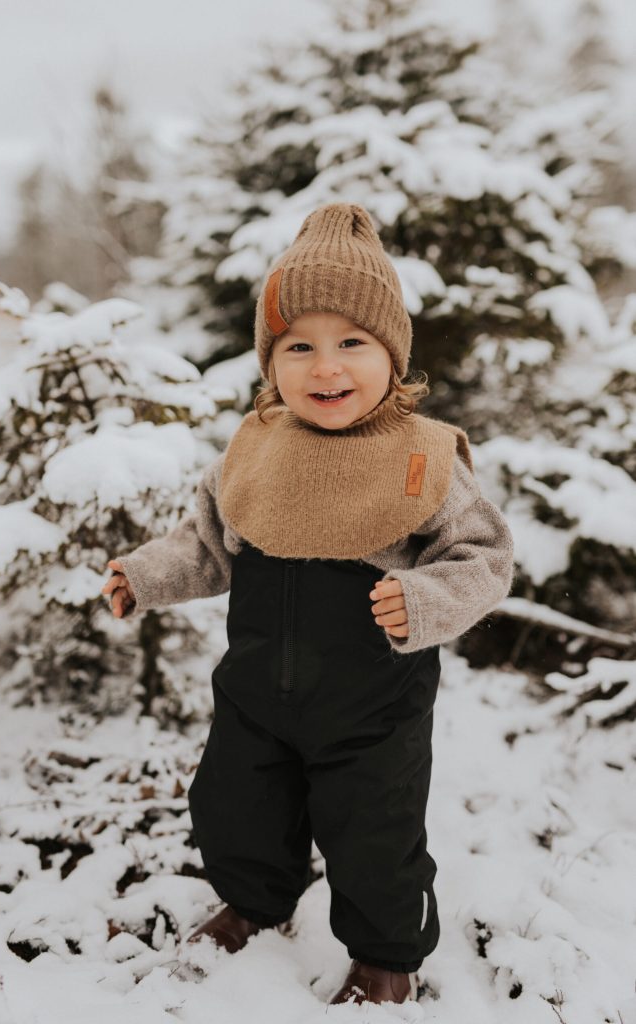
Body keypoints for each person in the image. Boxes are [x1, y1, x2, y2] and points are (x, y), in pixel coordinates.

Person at [101, 202, 515, 1007]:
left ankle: (385, 955)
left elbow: (482, 557)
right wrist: (144, 576)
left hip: (373, 704)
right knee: (235, 806)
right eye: (299, 347)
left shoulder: (420, 458)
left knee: (374, 833)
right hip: (256, 692)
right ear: (271, 360)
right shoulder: (256, 449)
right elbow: (206, 542)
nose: (325, 368)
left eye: (351, 343)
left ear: (391, 353)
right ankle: (253, 902)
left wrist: (425, 598)